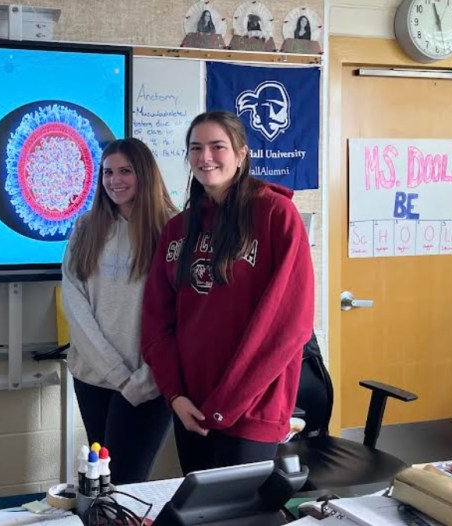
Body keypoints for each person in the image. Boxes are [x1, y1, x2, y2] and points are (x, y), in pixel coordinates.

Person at [140, 111, 314, 475]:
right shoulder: (177, 229)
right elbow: (157, 322)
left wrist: (226, 404)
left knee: (241, 505)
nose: (205, 157)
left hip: (252, 410)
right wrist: (175, 395)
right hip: (191, 407)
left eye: (217, 146)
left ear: (241, 154)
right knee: (200, 505)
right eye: (196, 148)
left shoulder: (275, 215)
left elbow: (288, 325)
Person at [62, 138, 178, 484]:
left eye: (125, 171)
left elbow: (184, 312)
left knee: (127, 482)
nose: (115, 180)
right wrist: (118, 374)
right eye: (107, 172)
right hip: (93, 377)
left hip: (147, 382)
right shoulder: (86, 228)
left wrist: (147, 377)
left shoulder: (173, 229)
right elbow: (75, 304)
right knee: (101, 480)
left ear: (145, 174)